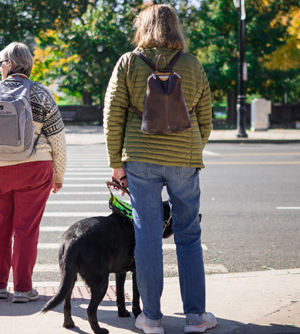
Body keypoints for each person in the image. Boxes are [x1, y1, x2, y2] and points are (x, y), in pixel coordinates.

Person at [103, 4, 216, 334]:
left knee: (147, 237)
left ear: (144, 26)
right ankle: (196, 317)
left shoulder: (128, 63)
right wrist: (191, 149)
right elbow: (206, 119)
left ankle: (151, 317)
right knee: (189, 235)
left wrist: (115, 162)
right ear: (176, 28)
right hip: (184, 159)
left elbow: (113, 116)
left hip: (139, 159)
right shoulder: (193, 65)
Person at [0, 42, 66, 303]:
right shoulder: (42, 94)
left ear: (10, 64)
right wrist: (58, 175)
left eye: (1, 63)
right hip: (34, 168)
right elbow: (58, 139)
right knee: (26, 230)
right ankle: (22, 288)